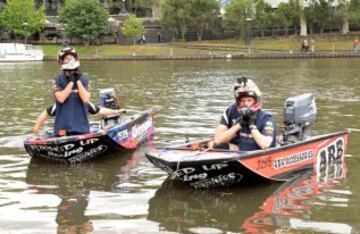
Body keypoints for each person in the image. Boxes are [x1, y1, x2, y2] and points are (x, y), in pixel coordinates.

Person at [211, 76, 277, 151]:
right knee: (216, 146)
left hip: (262, 156)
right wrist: (239, 125)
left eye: (249, 100)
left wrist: (252, 126)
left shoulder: (266, 118)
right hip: (243, 152)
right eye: (243, 101)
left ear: (256, 101)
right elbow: (220, 140)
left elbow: (265, 145)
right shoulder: (240, 119)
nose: (246, 104)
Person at [53, 47, 91, 136]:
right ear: (61, 62)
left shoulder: (83, 78)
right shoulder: (58, 79)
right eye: (66, 58)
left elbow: (86, 99)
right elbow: (61, 98)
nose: (70, 60)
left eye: (72, 58)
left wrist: (77, 81)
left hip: (82, 128)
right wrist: (70, 82)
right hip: (63, 129)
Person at [33, 102, 127, 136]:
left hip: (81, 133)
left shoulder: (85, 103)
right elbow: (45, 113)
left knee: (101, 131)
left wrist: (116, 112)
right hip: (64, 134)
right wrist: (36, 127)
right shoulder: (59, 104)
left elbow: (100, 110)